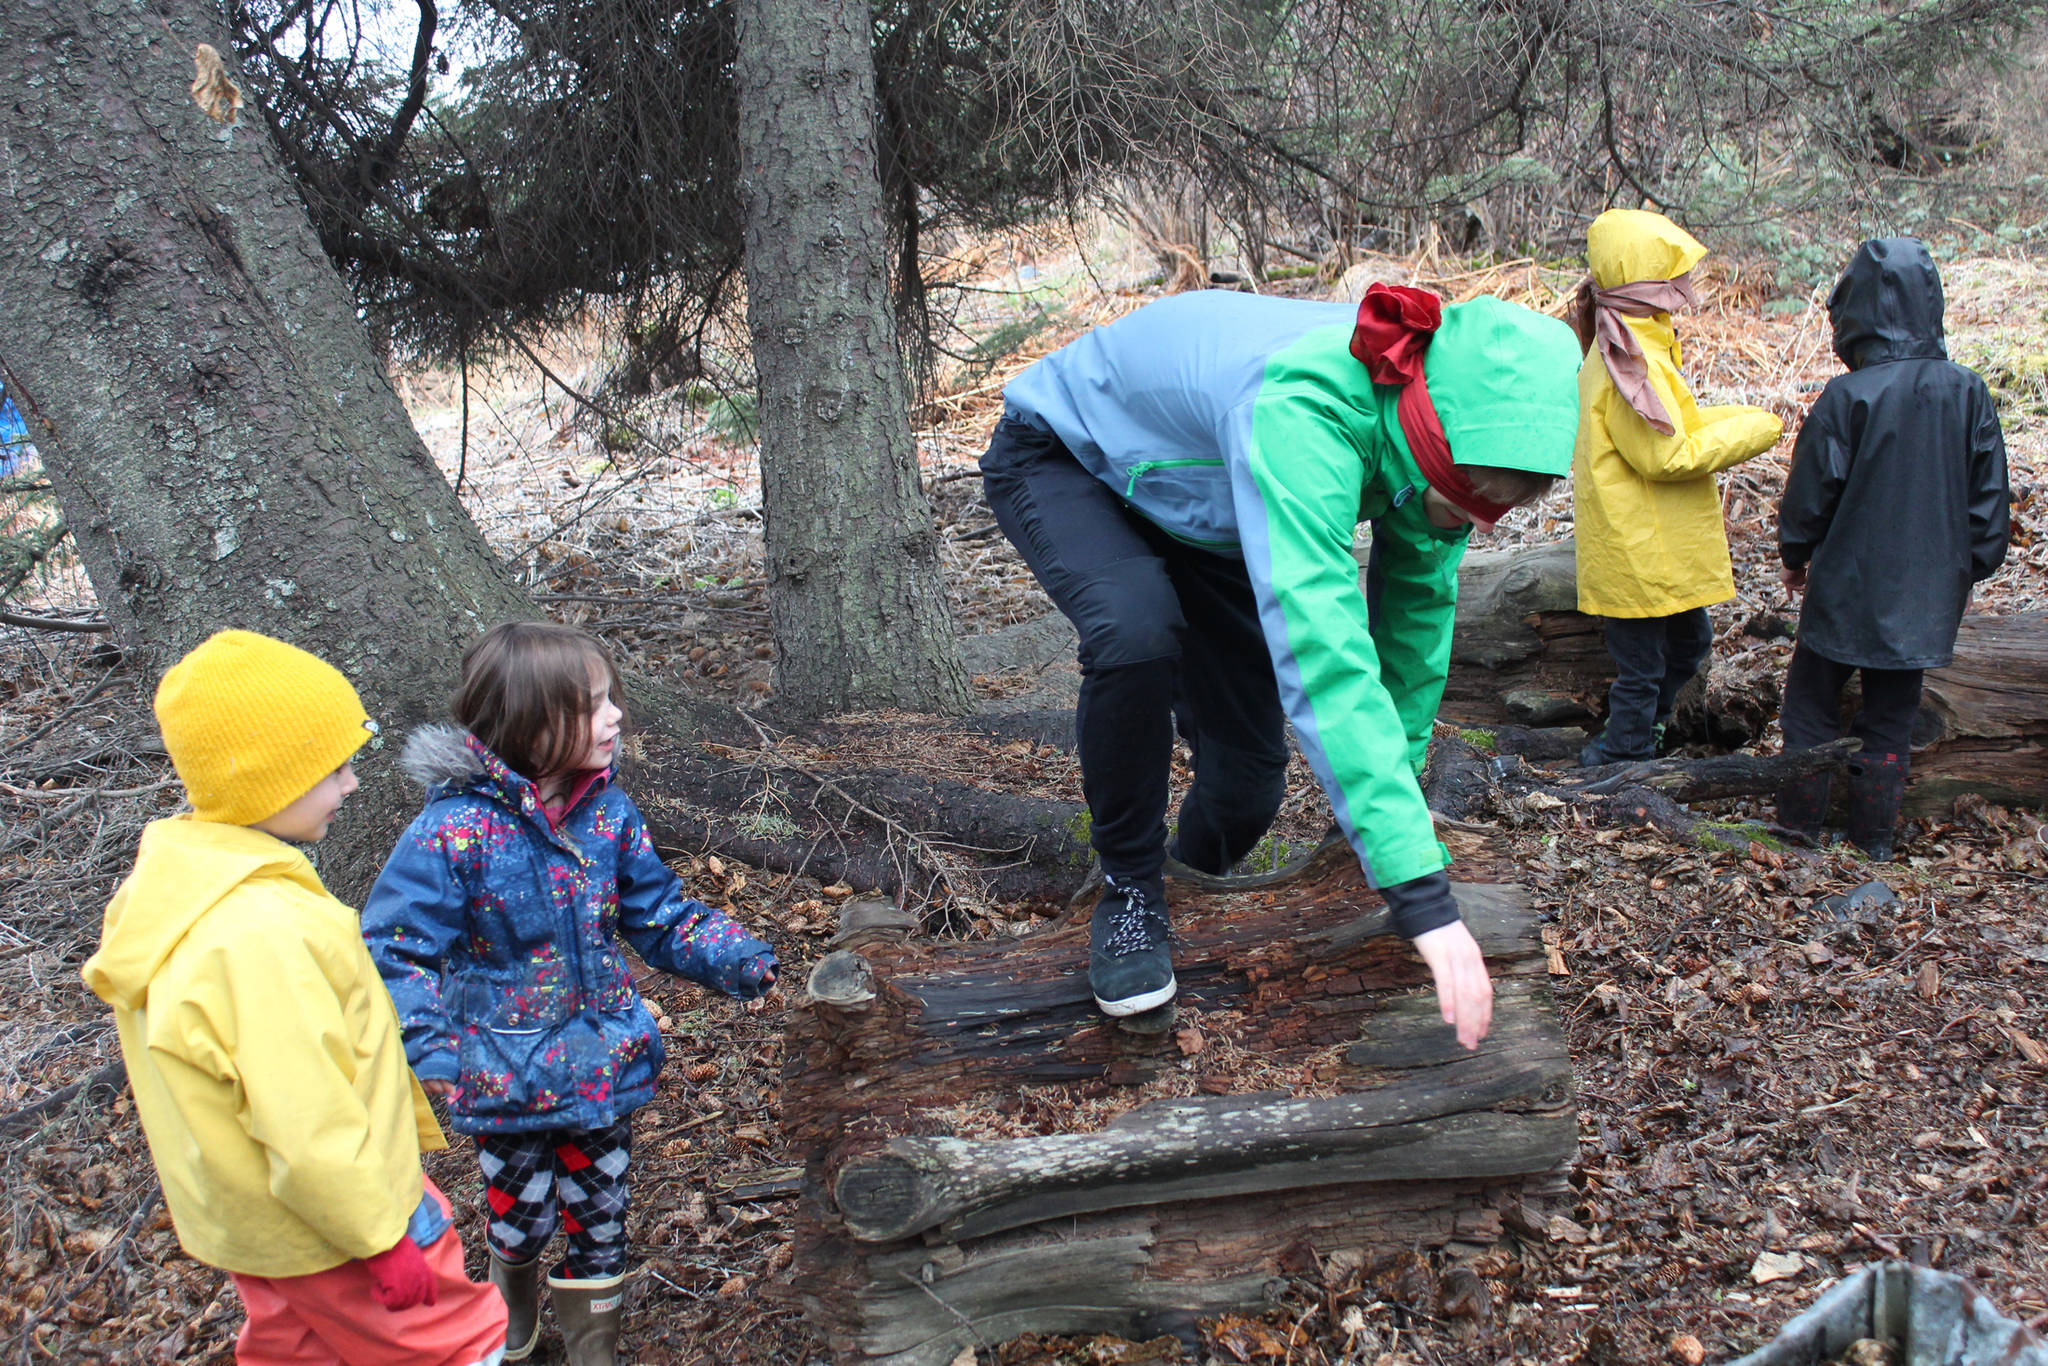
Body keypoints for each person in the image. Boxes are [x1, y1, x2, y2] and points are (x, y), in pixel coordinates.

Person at [983, 283, 1582, 1037]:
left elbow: (1413, 625)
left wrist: (1384, 820)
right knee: (1135, 631)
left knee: (1247, 785)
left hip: (1208, 512)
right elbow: (1324, 646)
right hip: (1073, 458)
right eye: (1463, 507)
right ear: (1433, 443)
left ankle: (1188, 887)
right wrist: (1422, 896)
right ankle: (1130, 889)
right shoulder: (1307, 412)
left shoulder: (1451, 427)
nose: (1471, 527)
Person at [81, 630, 508, 1366]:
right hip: (337, 1229)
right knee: (458, 1346)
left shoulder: (181, 888)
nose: (352, 785)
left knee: (302, 1350)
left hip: (263, 1230)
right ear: (266, 778)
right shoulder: (258, 934)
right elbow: (304, 1118)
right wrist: (380, 1236)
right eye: (333, 768)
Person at [361, 621, 777, 1366]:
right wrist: (427, 1044)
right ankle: (510, 1316)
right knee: (519, 1214)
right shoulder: (454, 831)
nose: (615, 715)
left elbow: (660, 914)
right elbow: (396, 946)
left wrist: (736, 957)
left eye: (611, 697)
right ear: (530, 719)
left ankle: (593, 1345)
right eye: (592, 705)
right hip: (502, 1073)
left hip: (600, 1063)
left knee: (602, 1212)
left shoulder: (607, 814)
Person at [1775, 238, 2010, 859]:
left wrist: (1796, 555)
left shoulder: (1846, 397)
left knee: (1810, 708)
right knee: (1889, 721)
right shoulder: (1968, 393)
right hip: (1922, 598)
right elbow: (1989, 513)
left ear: (1852, 314)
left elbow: (1809, 496)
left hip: (1842, 591)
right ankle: (1873, 842)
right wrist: (1958, 573)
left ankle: (1798, 834)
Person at [1569, 209, 1784, 766]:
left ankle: (1652, 735)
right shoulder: (1625, 360)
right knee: (1642, 669)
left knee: (1689, 647)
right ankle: (1624, 761)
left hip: (1654, 543)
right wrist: (1757, 430)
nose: (1682, 291)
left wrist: (1743, 414)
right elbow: (1667, 454)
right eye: (1671, 279)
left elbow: (1676, 419)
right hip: (1635, 548)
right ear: (1643, 286)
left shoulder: (1639, 342)